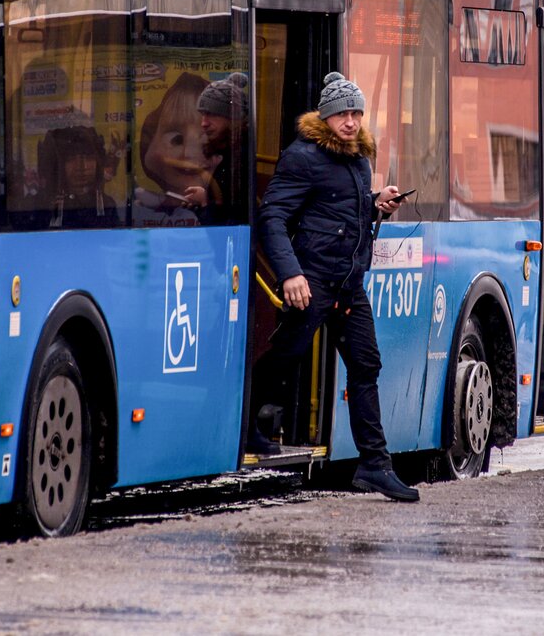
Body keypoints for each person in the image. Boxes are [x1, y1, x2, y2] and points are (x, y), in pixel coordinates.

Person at [254, 71, 419, 502]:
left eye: (357, 113)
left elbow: (343, 212)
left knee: (367, 367)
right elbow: (272, 218)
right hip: (312, 281)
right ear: (325, 117)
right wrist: (291, 274)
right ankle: (247, 425)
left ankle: (375, 465)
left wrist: (376, 201)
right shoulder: (303, 157)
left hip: (349, 286)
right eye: (343, 114)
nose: (350, 121)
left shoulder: (359, 160)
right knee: (285, 355)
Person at [134, 71, 214, 226]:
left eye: (205, 141)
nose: (188, 154)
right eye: (176, 140)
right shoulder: (144, 207)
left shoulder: (222, 209)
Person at [183, 72, 249, 225]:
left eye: (212, 114)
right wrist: (206, 199)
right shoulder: (230, 153)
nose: (203, 123)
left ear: (232, 118)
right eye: (203, 115)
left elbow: (230, 222)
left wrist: (206, 205)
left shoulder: (241, 161)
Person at [37, 125, 118, 229]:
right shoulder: (41, 205)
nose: (82, 166)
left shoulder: (107, 204)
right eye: (71, 158)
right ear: (57, 165)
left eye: (89, 158)